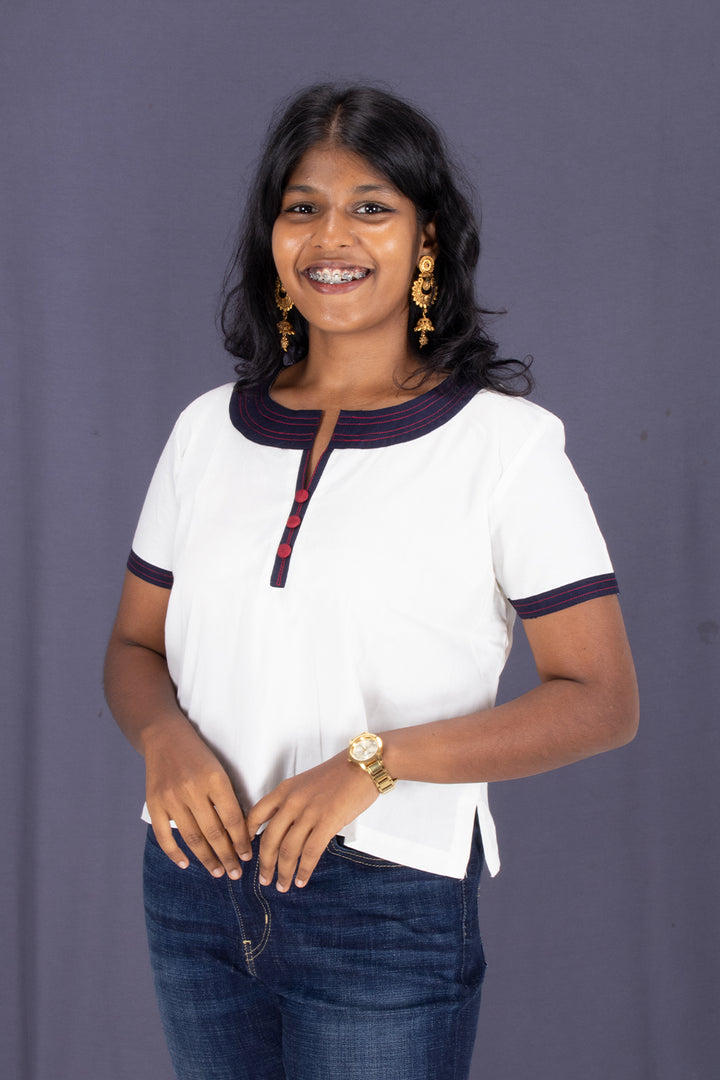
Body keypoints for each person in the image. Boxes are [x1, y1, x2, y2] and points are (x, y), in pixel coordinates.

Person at [104, 84, 639, 1080]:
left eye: (370, 206)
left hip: (385, 897)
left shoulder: (505, 448)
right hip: (192, 886)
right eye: (301, 206)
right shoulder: (204, 432)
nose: (330, 236)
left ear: (426, 239)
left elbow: (602, 701)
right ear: (272, 236)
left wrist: (374, 764)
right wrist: (163, 738)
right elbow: (136, 647)